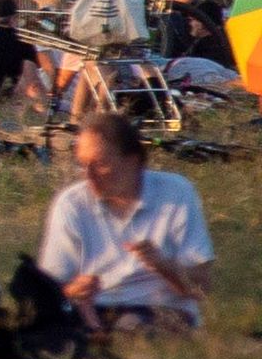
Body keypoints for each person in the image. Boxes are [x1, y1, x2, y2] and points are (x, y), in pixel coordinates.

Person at [37, 112, 214, 335]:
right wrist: (74, 290)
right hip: (91, 311)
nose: (88, 176)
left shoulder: (176, 193)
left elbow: (201, 288)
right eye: (83, 165)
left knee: (131, 330)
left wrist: (163, 265)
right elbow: (48, 290)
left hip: (157, 310)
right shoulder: (71, 204)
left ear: (133, 161)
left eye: (100, 165)